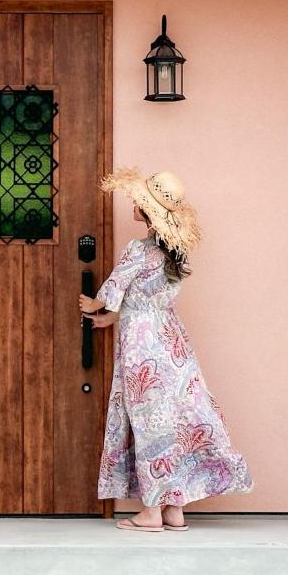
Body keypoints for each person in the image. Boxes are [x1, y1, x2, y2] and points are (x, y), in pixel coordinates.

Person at [79, 167, 254, 532]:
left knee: (147, 422)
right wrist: (114, 317)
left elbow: (115, 289)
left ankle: (151, 512)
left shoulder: (139, 250)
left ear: (146, 210)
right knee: (171, 419)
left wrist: (94, 307)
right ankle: (174, 509)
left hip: (142, 344)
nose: (133, 203)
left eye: (138, 200)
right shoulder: (175, 253)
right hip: (171, 340)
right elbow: (149, 297)